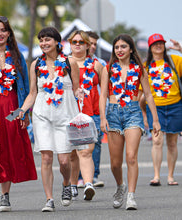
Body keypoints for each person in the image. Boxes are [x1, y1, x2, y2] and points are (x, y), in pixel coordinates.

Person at [0, 16, 37, 213]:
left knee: (8, 152)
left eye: (3, 30)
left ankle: (5, 197)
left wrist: (24, 113)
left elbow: (26, 89)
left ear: (9, 33)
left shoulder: (17, 57)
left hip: (11, 111)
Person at [19, 27, 84, 212]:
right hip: (42, 115)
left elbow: (76, 89)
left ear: (57, 42)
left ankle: (66, 184)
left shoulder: (70, 62)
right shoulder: (36, 65)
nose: (43, 43)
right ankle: (49, 199)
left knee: (64, 160)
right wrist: (22, 110)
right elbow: (33, 93)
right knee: (46, 157)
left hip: (65, 114)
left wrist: (80, 93)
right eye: (41, 40)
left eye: (47, 39)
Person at [99, 34, 160, 210]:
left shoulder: (139, 69)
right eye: (117, 47)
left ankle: (131, 196)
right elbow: (103, 95)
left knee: (131, 157)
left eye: (123, 47)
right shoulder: (108, 68)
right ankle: (121, 186)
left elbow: (148, 94)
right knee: (115, 163)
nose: (119, 50)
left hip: (133, 112)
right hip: (113, 114)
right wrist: (103, 117)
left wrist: (155, 120)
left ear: (131, 49)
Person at [142, 33, 182, 186]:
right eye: (155, 43)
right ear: (150, 47)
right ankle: (157, 175)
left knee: (172, 142)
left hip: (175, 105)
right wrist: (144, 114)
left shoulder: (174, 60)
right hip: (155, 108)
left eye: (161, 43)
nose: (158, 46)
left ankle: (170, 176)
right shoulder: (145, 66)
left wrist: (181, 50)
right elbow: (141, 94)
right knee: (157, 141)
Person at [68, 30, 104, 200]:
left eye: (81, 42)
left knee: (86, 151)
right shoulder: (64, 64)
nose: (77, 44)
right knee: (73, 154)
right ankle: (73, 184)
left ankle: (88, 183)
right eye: (74, 41)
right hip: (70, 114)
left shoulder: (97, 65)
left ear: (87, 45)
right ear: (69, 44)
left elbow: (105, 93)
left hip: (92, 113)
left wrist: (104, 117)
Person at [85, 31, 106, 187]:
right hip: (78, 109)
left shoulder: (100, 64)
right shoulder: (70, 61)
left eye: (94, 44)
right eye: (89, 43)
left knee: (96, 142)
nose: (92, 47)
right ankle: (79, 177)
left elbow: (105, 89)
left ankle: (94, 175)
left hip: (96, 109)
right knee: (79, 143)